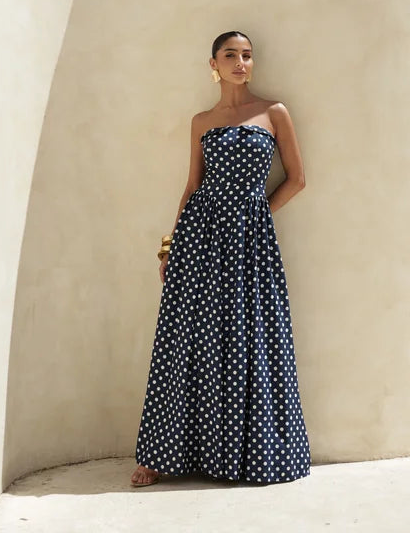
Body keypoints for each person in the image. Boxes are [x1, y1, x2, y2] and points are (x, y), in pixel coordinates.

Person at [131, 30, 311, 486]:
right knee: (186, 338)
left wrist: (254, 215)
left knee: (250, 335)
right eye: (230, 55)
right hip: (199, 239)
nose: (240, 63)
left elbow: (297, 179)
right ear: (214, 64)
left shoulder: (274, 112)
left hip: (250, 243)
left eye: (247, 55)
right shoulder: (202, 121)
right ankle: (160, 456)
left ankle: (246, 454)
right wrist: (171, 246)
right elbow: (192, 186)